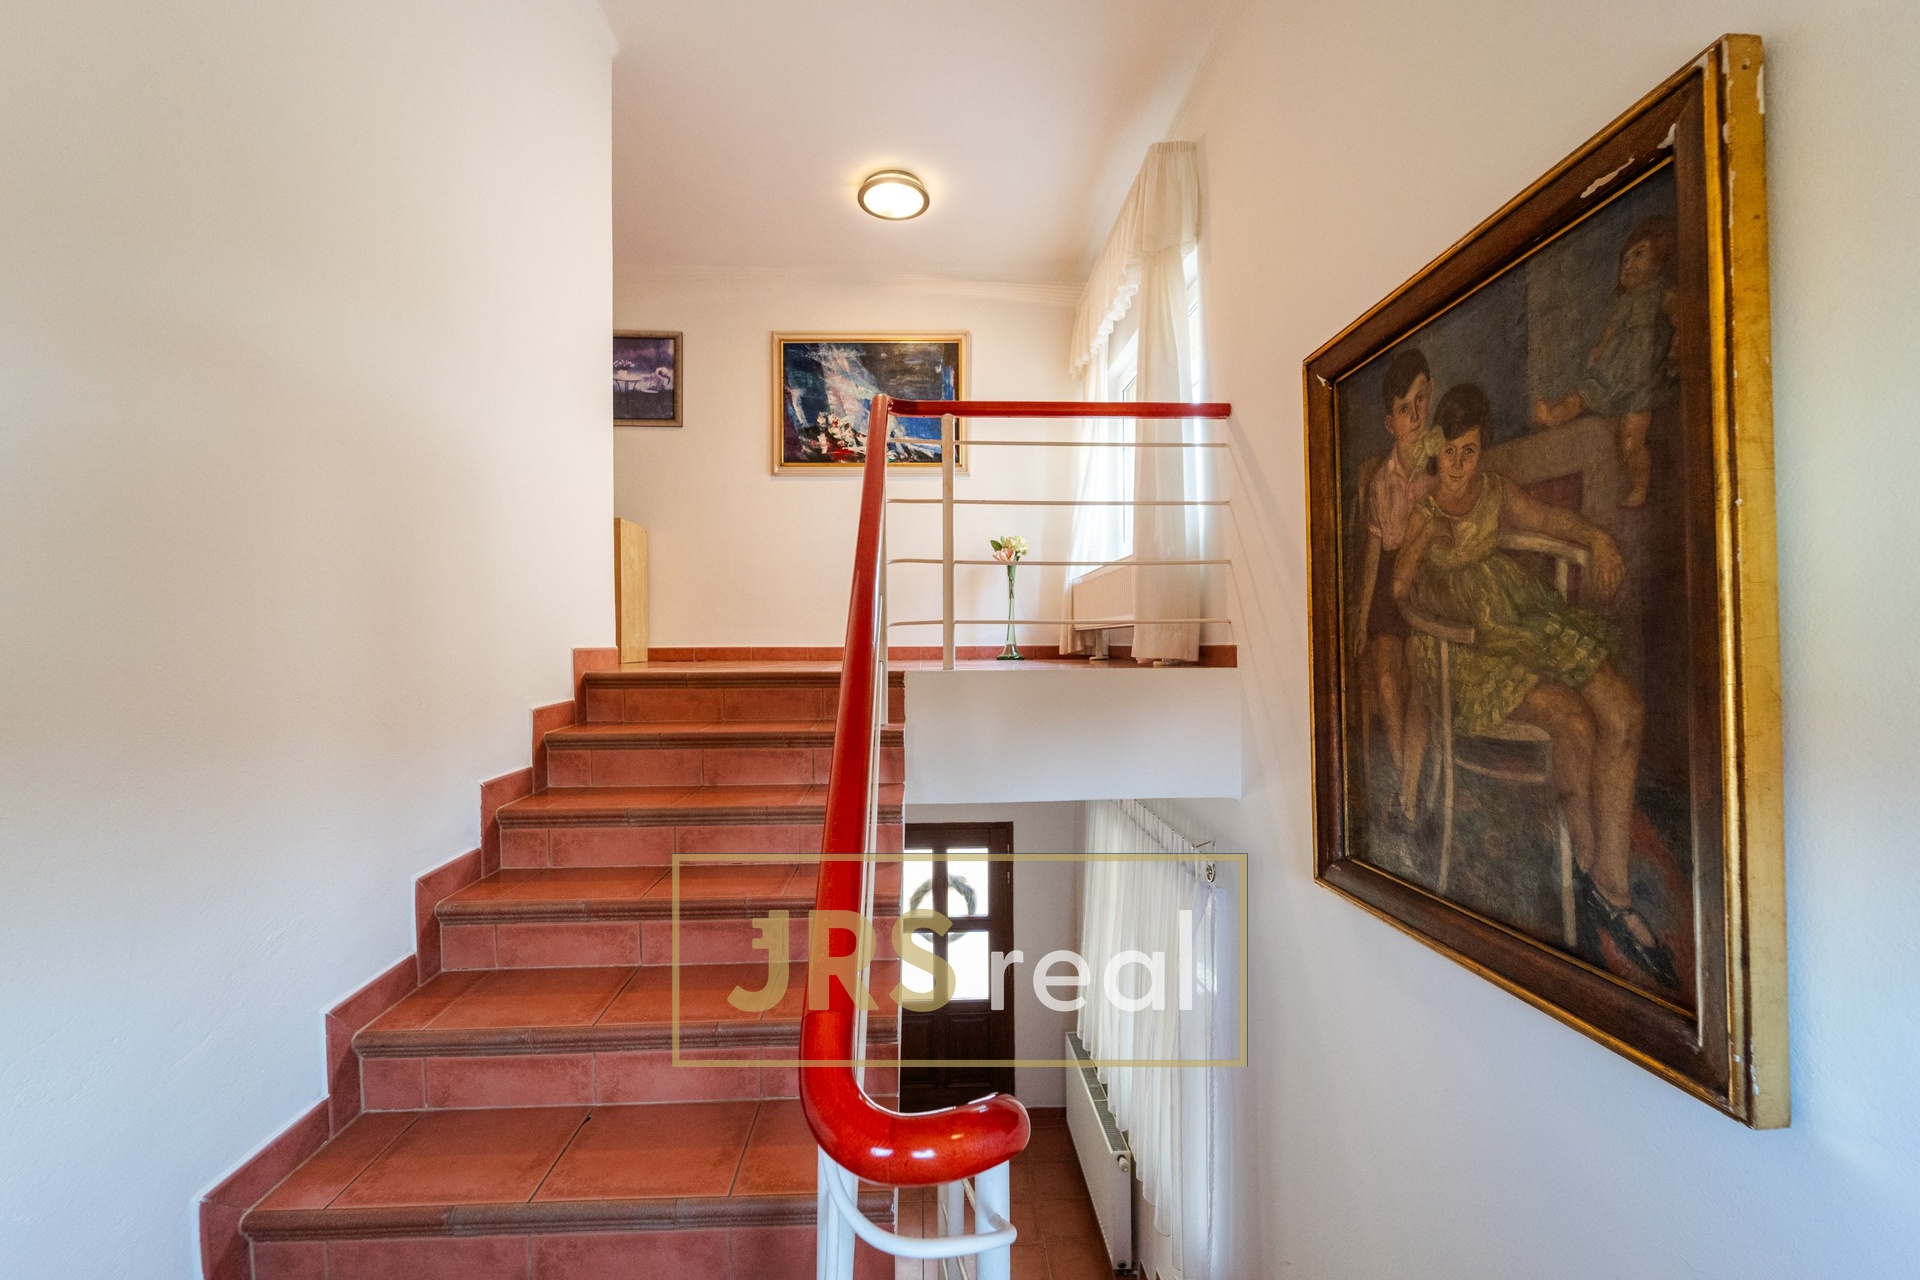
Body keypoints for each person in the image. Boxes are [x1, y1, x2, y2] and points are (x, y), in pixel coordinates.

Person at [1397, 383, 1673, 985]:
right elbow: (1400, 589)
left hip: (1523, 626)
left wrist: (1598, 537)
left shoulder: (1495, 493)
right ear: (1437, 451)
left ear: (1482, 451)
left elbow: (1552, 521)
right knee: (1574, 720)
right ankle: (1606, 885)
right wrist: (1423, 537)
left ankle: (1603, 875)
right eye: (1450, 453)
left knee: (1624, 712)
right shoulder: (1426, 513)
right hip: (1468, 656)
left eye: (1471, 452)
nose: (1459, 467)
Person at [1532, 214, 1679, 507]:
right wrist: (1599, 350)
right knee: (1580, 397)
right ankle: (1554, 415)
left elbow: (1681, 321)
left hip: (1642, 382)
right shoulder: (1623, 302)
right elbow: (1609, 333)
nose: (1629, 265)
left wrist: (1676, 353)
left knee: (1630, 440)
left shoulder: (1663, 294)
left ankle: (1639, 485)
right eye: (1625, 260)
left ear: (1661, 257)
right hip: (1610, 376)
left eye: (1639, 254)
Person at [1352, 348, 1439, 802]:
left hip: (1429, 581)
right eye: (1405, 408)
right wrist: (1362, 618)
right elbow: (1373, 557)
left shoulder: (1439, 466)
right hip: (1388, 588)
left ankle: (1415, 782)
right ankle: (1409, 783)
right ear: (1390, 422)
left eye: (1421, 399)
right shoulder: (1379, 483)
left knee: (1419, 674)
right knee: (1386, 674)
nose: (1416, 414)